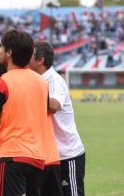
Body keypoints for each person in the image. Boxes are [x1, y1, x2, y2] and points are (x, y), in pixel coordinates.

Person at [0, 29, 48, 196]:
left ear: (9, 52)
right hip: (38, 157)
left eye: (2, 47)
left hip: (13, 156)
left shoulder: (2, 83)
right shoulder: (41, 82)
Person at [29, 41, 85, 196]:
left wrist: (28, 95)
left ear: (40, 60)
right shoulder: (37, 80)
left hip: (68, 155)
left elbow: (53, 105)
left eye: (30, 56)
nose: (26, 59)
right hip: (49, 156)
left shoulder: (53, 80)